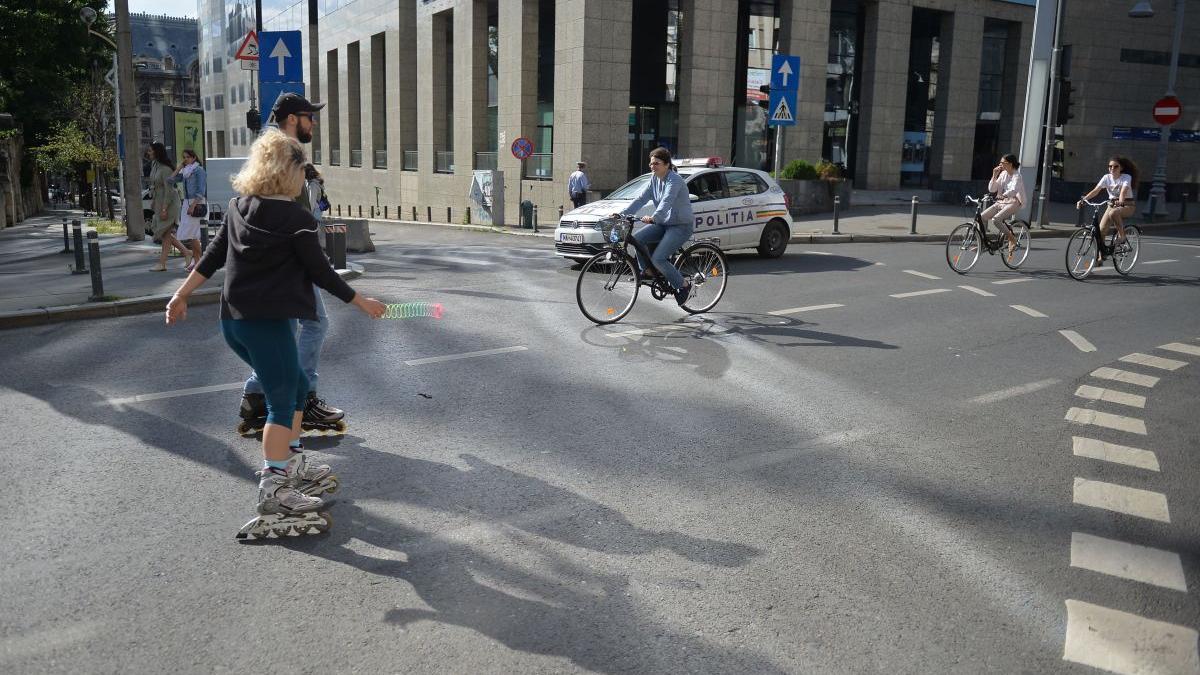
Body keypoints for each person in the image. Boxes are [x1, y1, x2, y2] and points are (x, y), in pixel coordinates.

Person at [165, 129, 386, 520]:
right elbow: (322, 273)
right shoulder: (297, 220)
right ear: (289, 172)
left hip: (235, 324)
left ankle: (293, 460)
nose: (305, 178)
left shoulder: (237, 207)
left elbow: (211, 258)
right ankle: (275, 487)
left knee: (298, 385)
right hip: (268, 325)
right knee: (282, 403)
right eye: (302, 170)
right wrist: (361, 301)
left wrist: (181, 295)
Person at [236, 93, 346, 437]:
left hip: (281, 258)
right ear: (292, 119)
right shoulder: (284, 151)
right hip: (291, 259)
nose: (313, 122)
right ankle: (304, 398)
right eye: (308, 116)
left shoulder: (277, 149)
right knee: (315, 325)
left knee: (285, 332)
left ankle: (256, 397)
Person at [614, 147, 695, 305]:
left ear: (666, 165)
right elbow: (641, 199)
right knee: (637, 239)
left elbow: (667, 201)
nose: (652, 166)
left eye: (656, 163)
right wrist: (622, 214)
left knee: (658, 258)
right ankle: (648, 271)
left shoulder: (675, 180)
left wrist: (654, 217)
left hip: (680, 226)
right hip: (663, 223)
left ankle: (684, 285)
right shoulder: (654, 179)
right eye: (651, 163)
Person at [1077, 156, 1139, 261]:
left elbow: (1123, 190)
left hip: (1127, 205)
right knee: (1100, 231)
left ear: (1121, 168)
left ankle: (1122, 236)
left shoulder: (1126, 177)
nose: (1112, 169)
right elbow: (1096, 190)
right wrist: (1083, 200)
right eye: (1110, 166)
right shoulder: (1106, 177)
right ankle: (1102, 255)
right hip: (1111, 205)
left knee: (1114, 213)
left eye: (1115, 166)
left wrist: (1121, 201)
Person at [146, 142, 187, 271]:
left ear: (157, 152)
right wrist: (153, 201)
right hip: (159, 201)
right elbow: (155, 185)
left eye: (151, 151)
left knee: (166, 233)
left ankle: (162, 263)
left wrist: (164, 209)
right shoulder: (155, 165)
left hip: (169, 203)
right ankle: (187, 253)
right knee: (165, 233)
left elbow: (169, 190)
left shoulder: (166, 169)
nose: (149, 153)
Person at [982, 153, 1025, 257]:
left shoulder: (1017, 176)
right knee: (982, 216)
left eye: (1003, 163)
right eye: (1000, 163)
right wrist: (994, 175)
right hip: (1002, 201)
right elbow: (992, 189)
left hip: (1015, 202)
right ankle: (983, 243)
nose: (1000, 165)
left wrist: (1003, 195)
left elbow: (1013, 190)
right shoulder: (1003, 174)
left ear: (1010, 164)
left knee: (996, 219)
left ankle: (1012, 238)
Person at [171, 149, 207, 272]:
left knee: (194, 234)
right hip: (187, 203)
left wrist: (193, 205)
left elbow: (201, 191)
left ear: (194, 158)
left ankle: (200, 262)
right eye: (184, 157)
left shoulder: (199, 171)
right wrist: (179, 167)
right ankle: (197, 262)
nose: (185, 159)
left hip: (196, 203)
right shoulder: (186, 171)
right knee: (191, 236)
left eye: (187, 157)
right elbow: (170, 180)